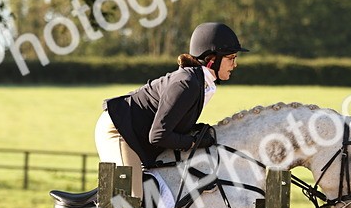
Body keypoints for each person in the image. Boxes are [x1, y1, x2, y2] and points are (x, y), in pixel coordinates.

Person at [96, 22, 247, 197]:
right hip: (118, 131)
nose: (234, 64)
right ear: (212, 60)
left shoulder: (200, 83)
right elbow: (158, 135)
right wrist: (192, 141)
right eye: (231, 58)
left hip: (136, 134)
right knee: (132, 198)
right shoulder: (187, 83)